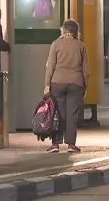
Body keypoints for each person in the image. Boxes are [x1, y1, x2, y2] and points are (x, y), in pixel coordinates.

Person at [43, 19, 89, 153]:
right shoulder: (81, 46)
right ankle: (71, 145)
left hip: (57, 83)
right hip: (76, 84)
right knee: (72, 115)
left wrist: (47, 84)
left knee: (57, 114)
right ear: (76, 32)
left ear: (63, 30)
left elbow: (50, 66)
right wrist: (85, 86)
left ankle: (55, 144)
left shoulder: (56, 44)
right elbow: (86, 70)